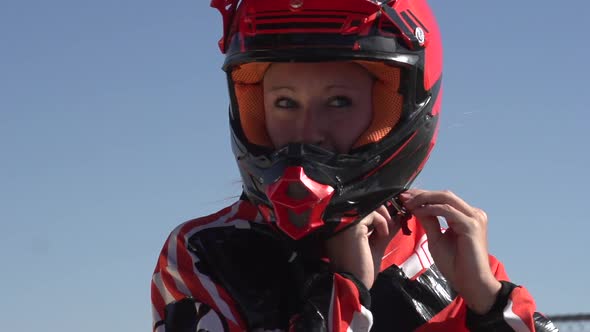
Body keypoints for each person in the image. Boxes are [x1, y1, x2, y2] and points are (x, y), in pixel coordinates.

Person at [151, 0, 558, 331]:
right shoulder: (206, 253)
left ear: (396, 112)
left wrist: (490, 305)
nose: (307, 132)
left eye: (339, 102)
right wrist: (345, 291)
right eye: (284, 103)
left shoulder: (442, 254)